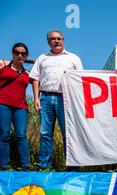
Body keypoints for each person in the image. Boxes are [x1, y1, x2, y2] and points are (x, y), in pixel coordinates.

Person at [29, 30, 83, 171]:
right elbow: (35, 78)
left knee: (68, 133)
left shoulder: (74, 58)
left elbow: (81, 79)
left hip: (66, 99)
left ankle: (72, 167)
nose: (56, 41)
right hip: (45, 98)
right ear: (48, 42)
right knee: (45, 133)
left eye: (59, 38)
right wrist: (36, 98)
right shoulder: (42, 58)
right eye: (53, 39)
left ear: (63, 40)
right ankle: (44, 165)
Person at [0, 43, 35, 171]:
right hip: (3, 104)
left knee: (21, 135)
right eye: (17, 52)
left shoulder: (27, 73)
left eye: (23, 53)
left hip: (21, 107)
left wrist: (36, 98)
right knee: (4, 134)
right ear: (12, 53)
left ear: (27, 55)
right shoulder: (3, 64)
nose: (20, 55)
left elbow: (37, 80)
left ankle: (25, 165)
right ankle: (3, 165)